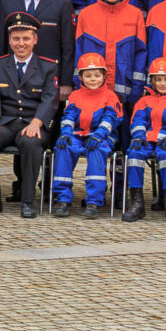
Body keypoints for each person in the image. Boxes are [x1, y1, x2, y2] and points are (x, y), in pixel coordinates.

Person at [0, 13, 57, 218]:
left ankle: (28, 201)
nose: (21, 43)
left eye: (26, 38)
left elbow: (50, 99)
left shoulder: (48, 66)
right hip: (6, 122)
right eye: (16, 39)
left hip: (32, 122)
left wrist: (37, 123)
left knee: (31, 142)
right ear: (10, 40)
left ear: (35, 39)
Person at [121, 58, 166, 224]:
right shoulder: (143, 101)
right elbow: (137, 121)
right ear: (152, 81)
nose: (163, 83)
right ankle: (137, 204)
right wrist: (139, 136)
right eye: (158, 79)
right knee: (134, 154)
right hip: (147, 140)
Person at [51, 54, 122, 218]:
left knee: (97, 150)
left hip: (103, 136)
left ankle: (94, 201)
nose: (93, 79)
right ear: (81, 77)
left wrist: (99, 135)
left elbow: (111, 119)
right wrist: (66, 133)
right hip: (78, 134)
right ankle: (62, 199)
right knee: (63, 147)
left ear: (104, 76)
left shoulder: (110, 96)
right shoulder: (75, 96)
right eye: (88, 75)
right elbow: (68, 117)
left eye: (97, 75)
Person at [73, 0, 147, 99]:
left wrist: (137, 88)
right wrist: (79, 84)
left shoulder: (135, 15)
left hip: (125, 92)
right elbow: (79, 51)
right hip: (91, 93)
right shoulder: (85, 15)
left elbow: (140, 53)